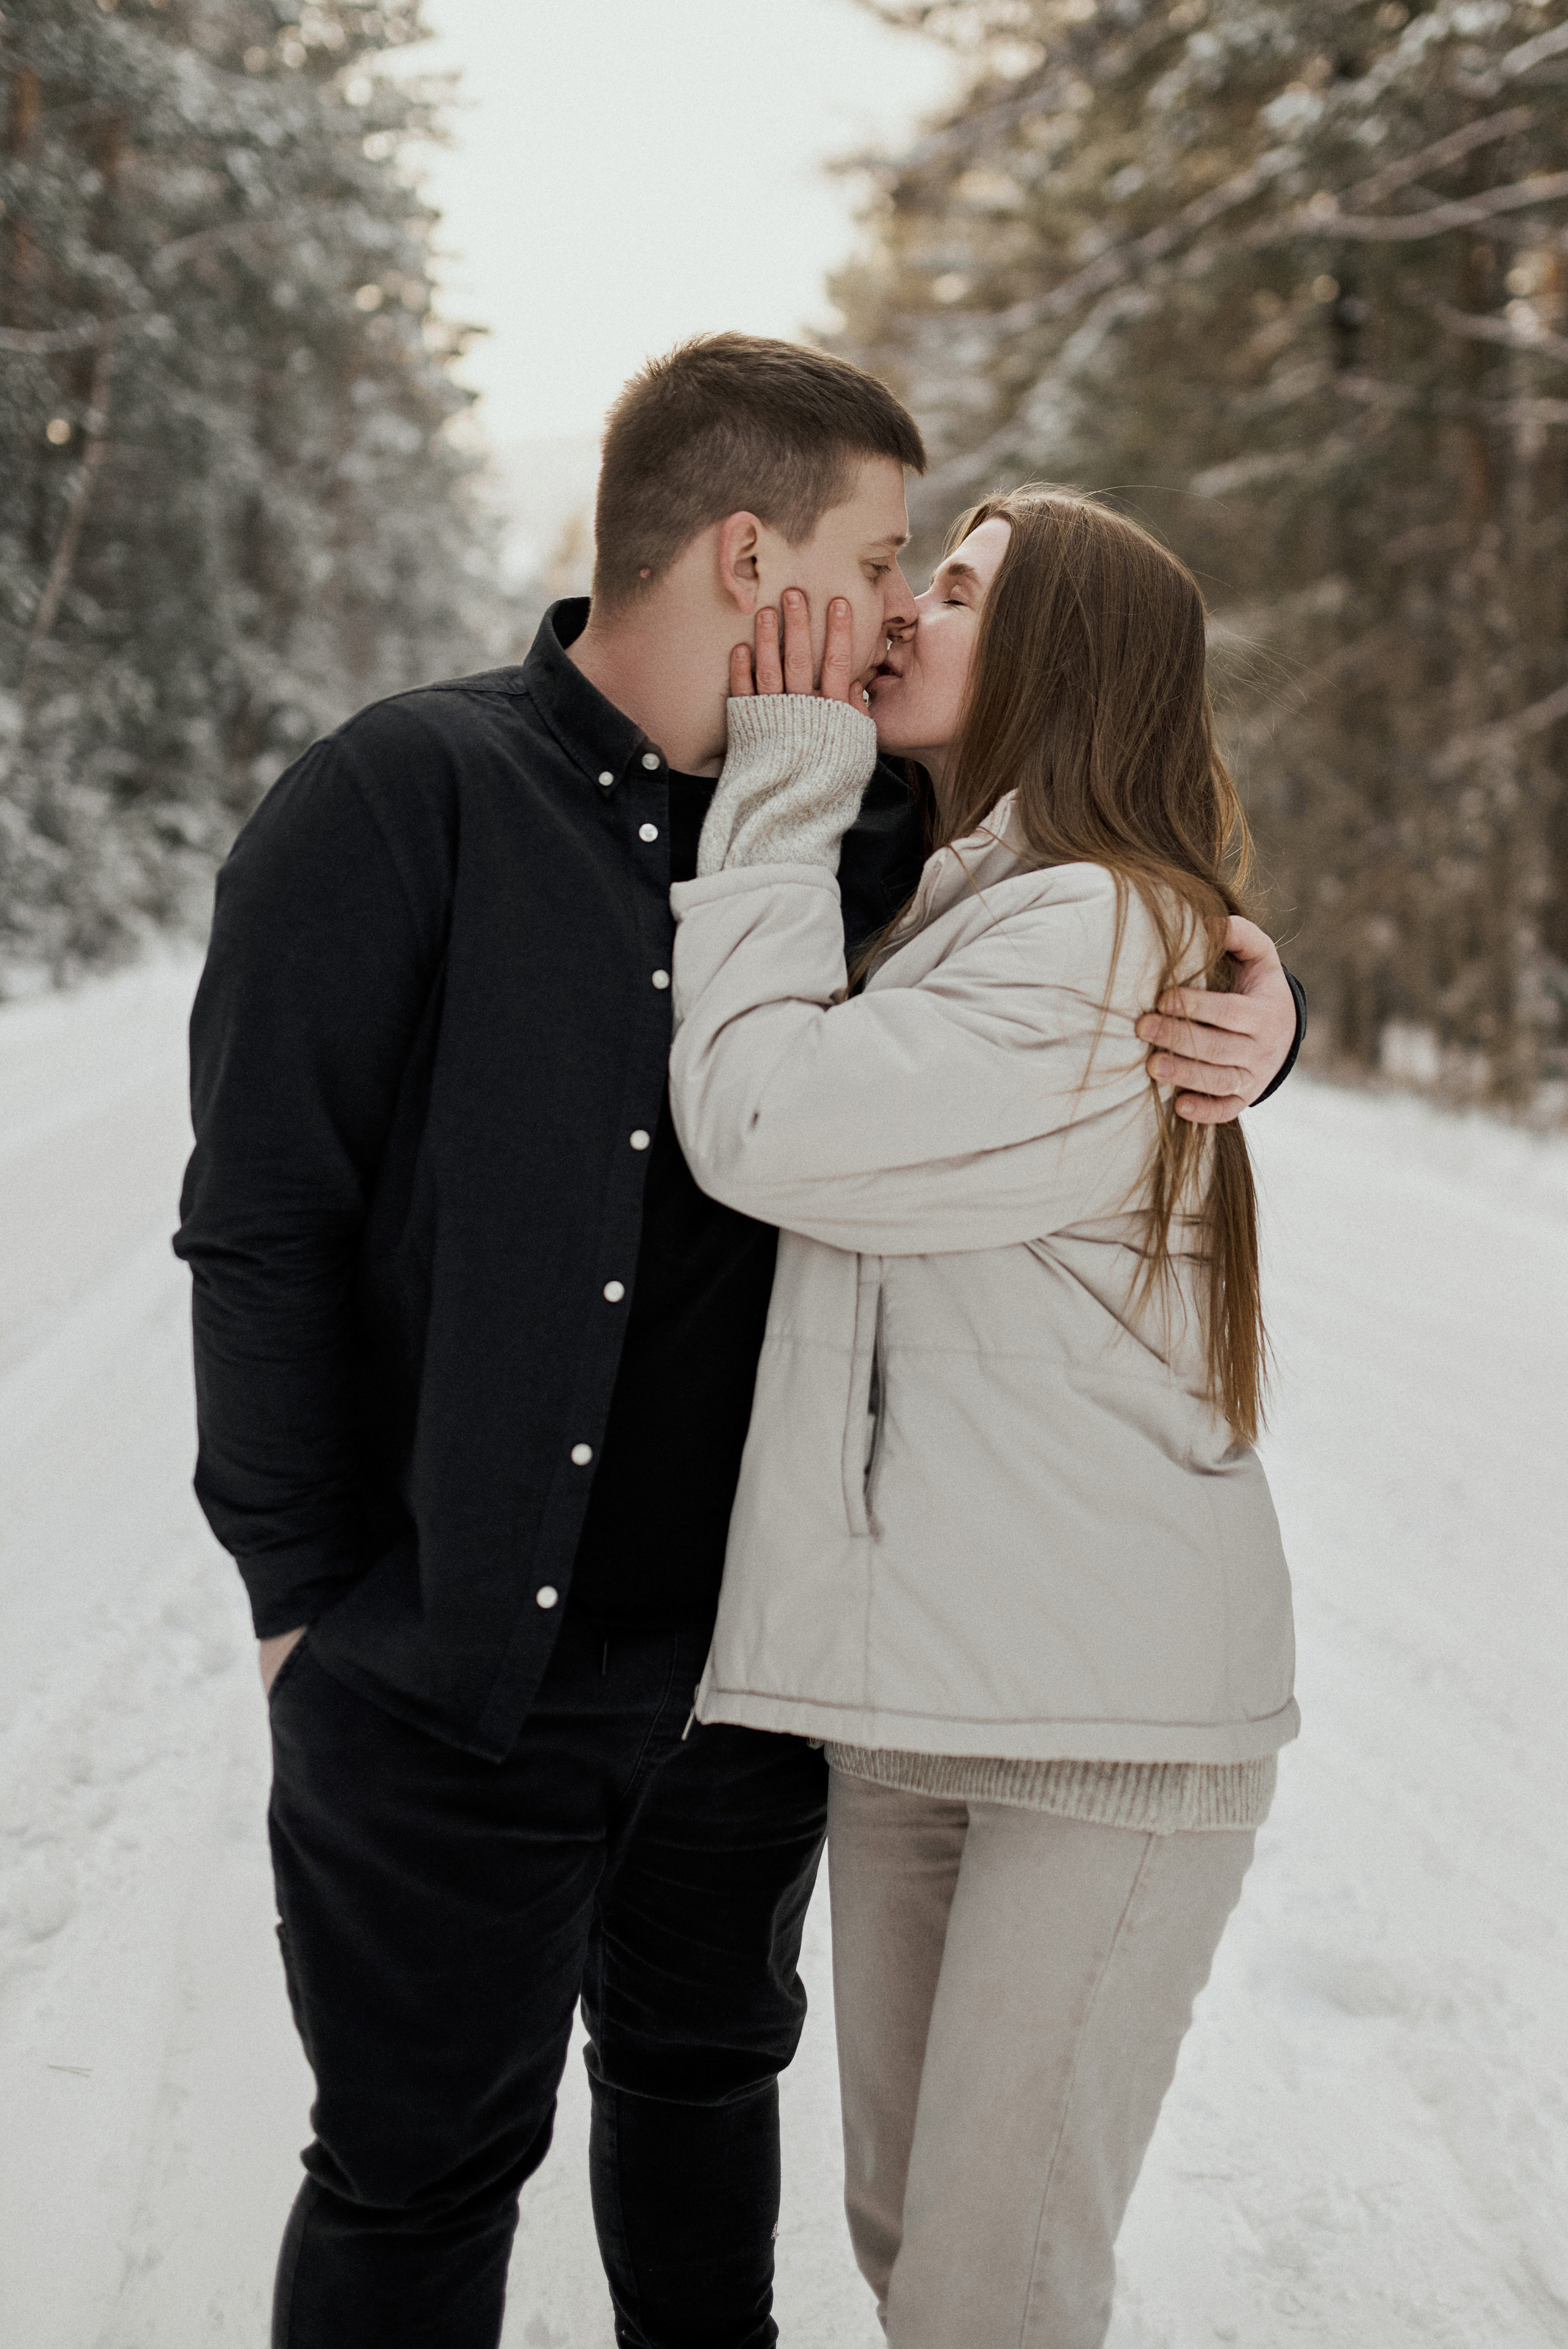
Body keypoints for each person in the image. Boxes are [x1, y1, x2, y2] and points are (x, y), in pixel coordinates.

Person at [174, 333, 1303, 2349]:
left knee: (710, 2125)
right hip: (442, 1670)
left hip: (743, 1688)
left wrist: (1261, 1021)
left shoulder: (858, 836)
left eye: (929, 580)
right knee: (416, 2174)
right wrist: (296, 1594)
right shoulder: (404, 796)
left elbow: (1079, 928)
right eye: (883, 560)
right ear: (749, 553)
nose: (898, 607)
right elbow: (265, 1223)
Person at [666, 487, 1299, 2349]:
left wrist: (783, 782)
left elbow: (763, 1120)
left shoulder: (1098, 927)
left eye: (954, 590)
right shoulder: (975, 899)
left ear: (1058, 658)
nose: (903, 614)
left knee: (990, 2288)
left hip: (1096, 1719)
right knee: (912, 2242)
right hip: (928, 1691)